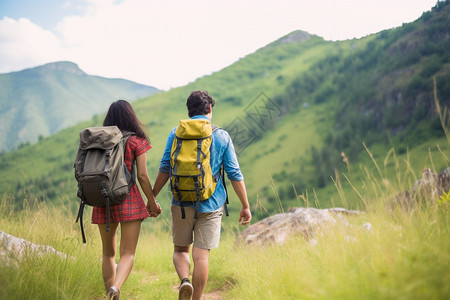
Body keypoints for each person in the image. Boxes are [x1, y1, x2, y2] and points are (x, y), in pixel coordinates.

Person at [150, 90, 252, 300]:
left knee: (180, 250)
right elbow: (234, 173)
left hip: (181, 202)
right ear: (210, 109)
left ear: (189, 111)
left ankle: (185, 281)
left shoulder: (175, 132)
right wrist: (245, 205)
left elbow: (165, 167)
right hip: (211, 203)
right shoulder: (221, 135)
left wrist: (152, 197)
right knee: (201, 256)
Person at [91, 100, 162, 300]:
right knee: (128, 253)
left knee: (108, 254)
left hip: (102, 199)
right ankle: (116, 288)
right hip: (128, 199)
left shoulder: (99, 141)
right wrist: (152, 201)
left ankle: (109, 293)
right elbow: (142, 176)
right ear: (131, 116)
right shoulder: (136, 141)